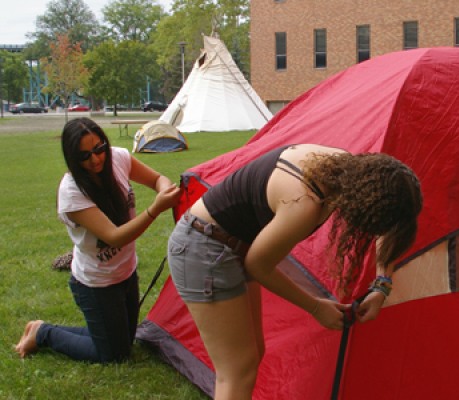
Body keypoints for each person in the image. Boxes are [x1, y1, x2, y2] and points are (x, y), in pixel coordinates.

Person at [167, 143, 422, 399]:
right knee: (237, 370)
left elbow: (390, 230)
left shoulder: (349, 171)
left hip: (229, 244)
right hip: (203, 248)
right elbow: (258, 265)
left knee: (252, 354)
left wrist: (381, 285)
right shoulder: (304, 203)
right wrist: (315, 307)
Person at [14, 117, 181, 363]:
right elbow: (114, 238)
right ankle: (44, 333)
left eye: (99, 148)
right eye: (84, 156)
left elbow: (157, 179)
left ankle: (49, 330)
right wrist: (155, 209)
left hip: (126, 274)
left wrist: (165, 189)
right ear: (73, 158)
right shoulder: (71, 192)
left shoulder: (119, 159)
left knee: (124, 341)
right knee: (114, 355)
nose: (95, 159)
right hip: (96, 284)